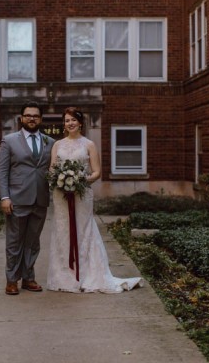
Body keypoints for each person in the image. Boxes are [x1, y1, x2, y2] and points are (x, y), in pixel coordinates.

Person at [46, 107, 143, 293]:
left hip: (82, 194)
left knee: (84, 230)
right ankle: (64, 278)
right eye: (67, 120)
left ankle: (86, 276)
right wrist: (59, 179)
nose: (70, 123)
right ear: (64, 124)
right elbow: (52, 169)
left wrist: (79, 180)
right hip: (61, 195)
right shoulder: (57, 145)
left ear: (80, 123)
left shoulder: (89, 144)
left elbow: (97, 172)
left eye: (73, 120)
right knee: (62, 230)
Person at [0, 101, 56, 295]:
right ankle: (12, 280)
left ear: (41, 119)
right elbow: (1, 171)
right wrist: (5, 197)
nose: (32, 118)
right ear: (21, 118)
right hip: (17, 200)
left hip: (40, 199)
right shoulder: (9, 140)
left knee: (33, 242)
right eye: (28, 115)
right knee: (14, 242)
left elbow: (52, 170)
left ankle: (28, 278)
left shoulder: (50, 142)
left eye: (36, 116)